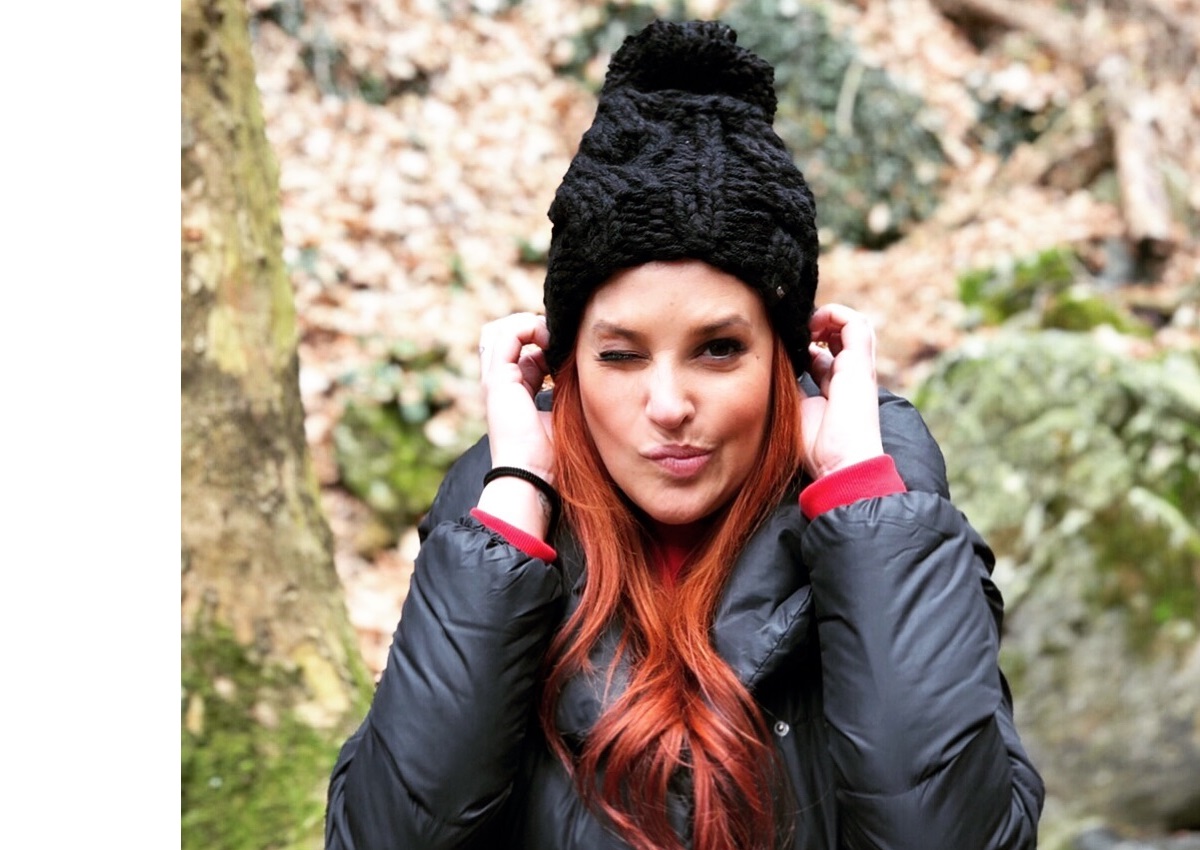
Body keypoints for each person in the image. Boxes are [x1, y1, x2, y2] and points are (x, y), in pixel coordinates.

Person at [324, 19, 1044, 850]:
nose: (668, 405)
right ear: (564, 363)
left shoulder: (895, 532)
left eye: (719, 349)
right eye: (621, 355)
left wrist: (861, 497)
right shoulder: (491, 537)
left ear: (789, 360)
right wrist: (514, 504)